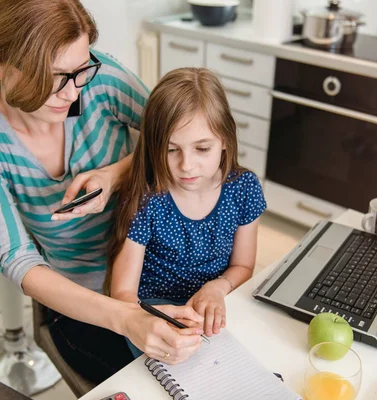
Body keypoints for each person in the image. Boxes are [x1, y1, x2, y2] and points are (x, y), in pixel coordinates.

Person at [0, 0, 203, 384]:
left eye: (81, 70)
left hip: (164, 266)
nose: (72, 91)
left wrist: (116, 175)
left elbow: (174, 135)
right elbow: (18, 258)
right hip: (84, 303)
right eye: (54, 76)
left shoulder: (98, 79)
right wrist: (125, 318)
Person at [107, 68, 267, 352]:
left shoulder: (244, 188)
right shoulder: (146, 199)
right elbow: (122, 293)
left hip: (215, 303)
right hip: (153, 313)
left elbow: (243, 266)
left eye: (202, 149)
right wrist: (152, 320)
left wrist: (218, 287)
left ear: (225, 142)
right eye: (171, 150)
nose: (186, 165)